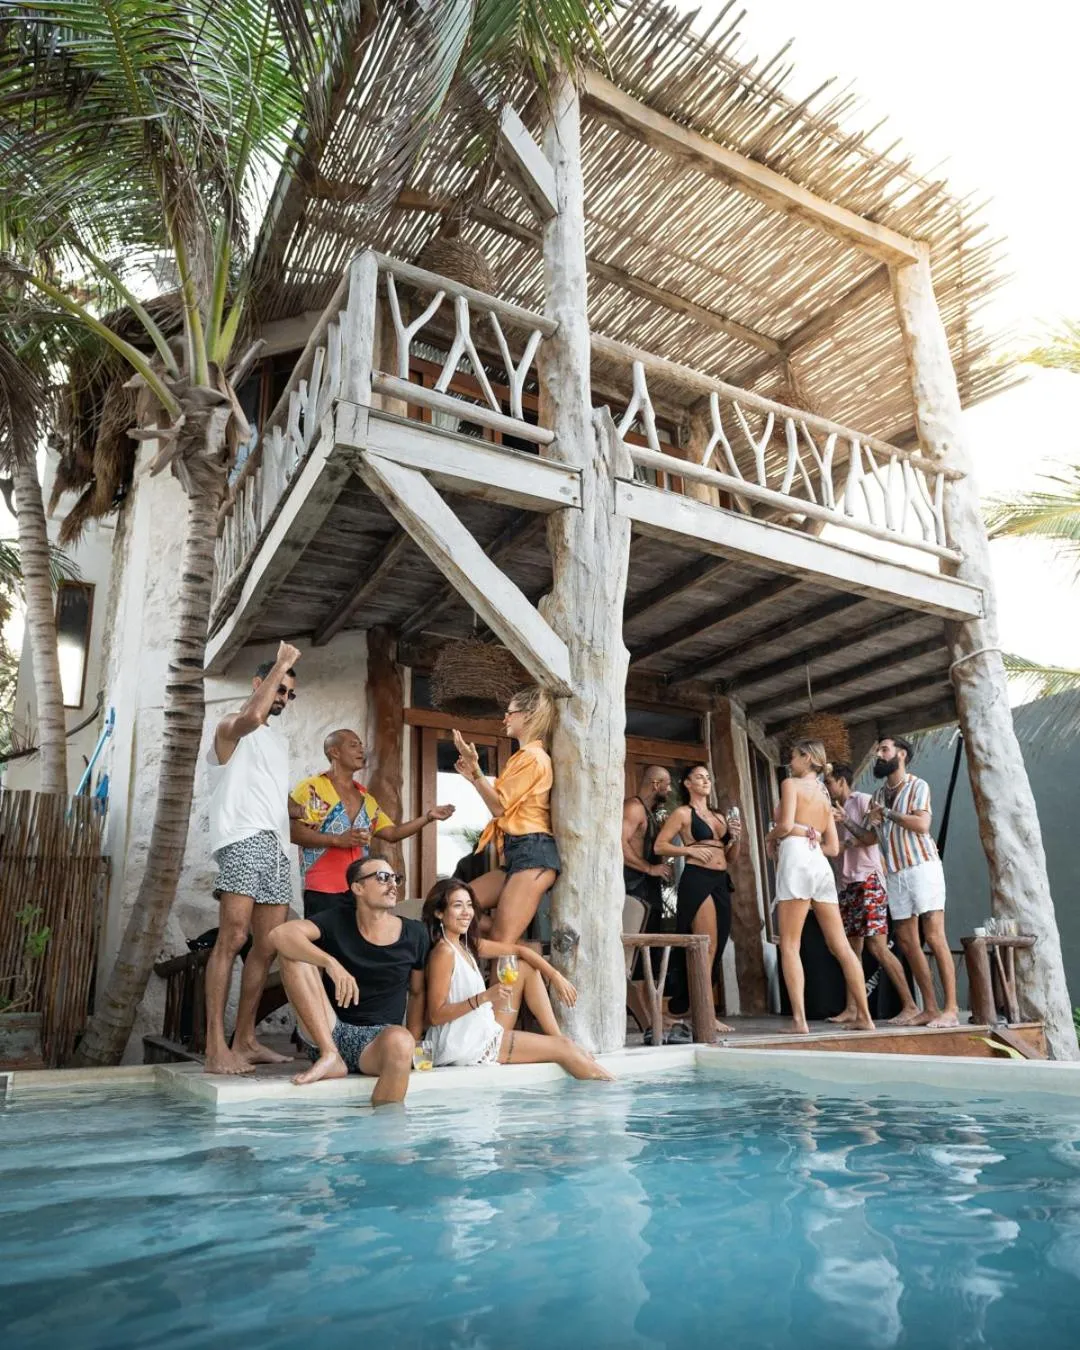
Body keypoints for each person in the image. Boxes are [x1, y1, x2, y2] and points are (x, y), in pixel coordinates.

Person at [203, 641, 300, 1076]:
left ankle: (244, 1040)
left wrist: (292, 810)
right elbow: (252, 716)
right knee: (234, 938)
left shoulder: (277, 746)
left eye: (289, 694)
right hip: (243, 840)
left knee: (267, 946)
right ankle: (214, 1047)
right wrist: (282, 664)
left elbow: (267, 797)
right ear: (260, 684)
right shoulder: (230, 725)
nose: (284, 698)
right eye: (280, 689)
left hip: (278, 848)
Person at [268, 857, 428, 1102]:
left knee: (402, 1041)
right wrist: (330, 963)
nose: (393, 884)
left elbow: (417, 994)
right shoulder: (337, 919)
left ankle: (382, 1133)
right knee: (293, 952)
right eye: (383, 877)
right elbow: (280, 934)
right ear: (358, 888)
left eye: (396, 878)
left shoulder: (415, 933)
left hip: (378, 1044)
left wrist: (414, 1047)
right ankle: (330, 1055)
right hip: (329, 1031)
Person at [421, 878, 613, 1080]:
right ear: (439, 913)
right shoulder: (444, 953)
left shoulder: (466, 945)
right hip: (464, 1042)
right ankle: (609, 1092)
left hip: (479, 1026)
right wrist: (484, 997)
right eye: (457, 906)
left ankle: (561, 1041)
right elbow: (435, 1015)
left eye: (469, 905)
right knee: (564, 1049)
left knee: (524, 967)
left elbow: (521, 950)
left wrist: (556, 976)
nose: (466, 912)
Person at [765, 741, 874, 1035]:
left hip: (797, 858)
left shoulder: (790, 784)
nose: (790, 761)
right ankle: (865, 1015)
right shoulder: (825, 794)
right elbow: (833, 847)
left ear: (808, 758)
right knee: (840, 945)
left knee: (790, 944)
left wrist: (769, 836)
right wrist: (809, 831)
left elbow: (785, 824)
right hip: (819, 862)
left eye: (794, 756)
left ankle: (799, 1021)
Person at [851, 735, 959, 1029]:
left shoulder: (917, 785)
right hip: (895, 874)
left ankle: (951, 1008)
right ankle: (929, 1009)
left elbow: (922, 824)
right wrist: (845, 821)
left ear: (901, 754)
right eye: (877, 751)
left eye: (884, 750)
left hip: (922, 867)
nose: (879, 755)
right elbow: (870, 838)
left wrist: (886, 813)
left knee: (934, 936)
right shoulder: (876, 795)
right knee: (908, 942)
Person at [290, 728, 455, 916]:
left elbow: (392, 834)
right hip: (322, 888)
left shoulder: (366, 798)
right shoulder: (311, 787)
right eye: (353, 745)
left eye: (361, 744)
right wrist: (336, 840)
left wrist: (428, 817)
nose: (361, 750)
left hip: (361, 889)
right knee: (323, 944)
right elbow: (292, 831)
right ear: (334, 752)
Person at [450, 686, 559, 943]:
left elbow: (499, 807)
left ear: (529, 715)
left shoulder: (533, 758)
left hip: (534, 853)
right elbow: (501, 805)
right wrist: (474, 776)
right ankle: (522, 951)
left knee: (501, 940)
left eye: (510, 713)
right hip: (517, 853)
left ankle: (518, 952)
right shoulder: (523, 757)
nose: (505, 718)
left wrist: (476, 770)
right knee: (452, 904)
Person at [824, 762, 920, 1026]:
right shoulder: (830, 811)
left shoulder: (864, 801)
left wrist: (846, 822)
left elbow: (872, 838)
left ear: (842, 782)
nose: (827, 787)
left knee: (877, 946)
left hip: (869, 880)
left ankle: (910, 1005)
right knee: (850, 949)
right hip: (846, 884)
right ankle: (853, 1008)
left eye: (829, 782)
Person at [654, 763, 743, 1038]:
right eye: (699, 777)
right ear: (687, 784)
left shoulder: (718, 815)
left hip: (720, 879)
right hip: (697, 879)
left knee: (717, 946)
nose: (706, 781)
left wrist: (736, 838)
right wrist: (687, 851)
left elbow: (731, 857)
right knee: (705, 945)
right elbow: (660, 845)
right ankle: (706, 1015)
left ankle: (697, 1008)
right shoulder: (682, 813)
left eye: (708, 777)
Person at [623, 766, 674, 1033]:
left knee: (647, 956)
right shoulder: (633, 808)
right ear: (655, 784)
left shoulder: (651, 812)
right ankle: (647, 1021)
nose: (670, 789)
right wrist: (648, 868)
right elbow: (618, 844)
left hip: (648, 892)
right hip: (633, 889)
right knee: (631, 959)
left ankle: (654, 1016)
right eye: (666, 784)